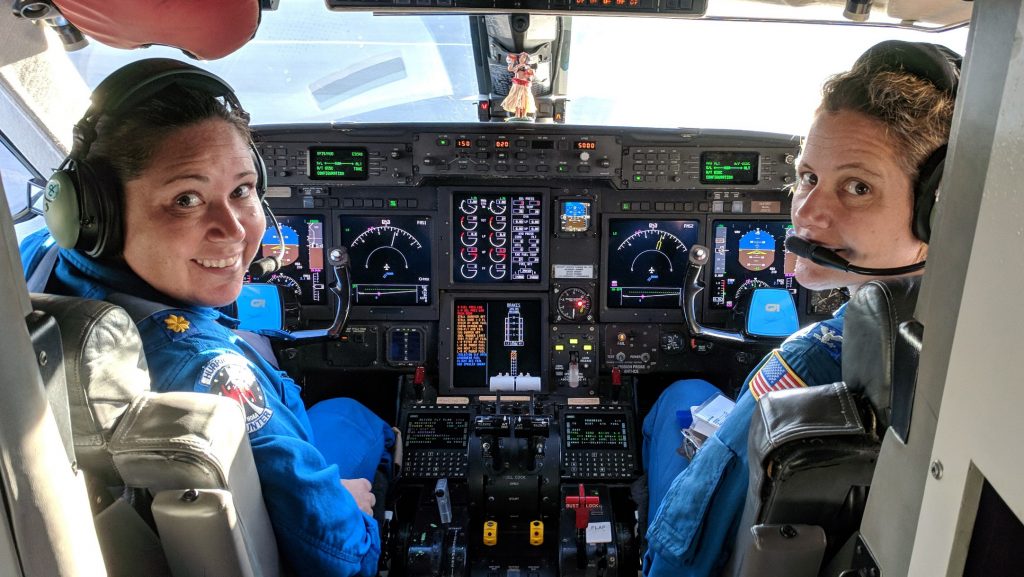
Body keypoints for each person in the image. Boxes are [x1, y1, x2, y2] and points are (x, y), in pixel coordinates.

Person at [19, 59, 394, 577]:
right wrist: (352, 513)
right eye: (186, 200)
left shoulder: (34, 259)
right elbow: (340, 558)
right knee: (359, 417)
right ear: (98, 214)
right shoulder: (204, 368)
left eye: (242, 190)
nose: (235, 229)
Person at [641, 39, 959, 576]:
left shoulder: (811, 362)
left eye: (857, 187)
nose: (807, 214)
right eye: (807, 176)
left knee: (680, 392)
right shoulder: (959, 325)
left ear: (936, 210)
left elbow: (681, 550)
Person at [500, 51, 537, 120]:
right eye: (520, 57)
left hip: (524, 85)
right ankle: (517, 115)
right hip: (517, 85)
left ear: (526, 59)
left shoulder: (527, 67)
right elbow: (510, 69)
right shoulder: (517, 66)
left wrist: (530, 74)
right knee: (516, 100)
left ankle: (524, 115)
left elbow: (530, 76)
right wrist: (511, 62)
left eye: (523, 57)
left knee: (524, 100)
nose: (521, 58)